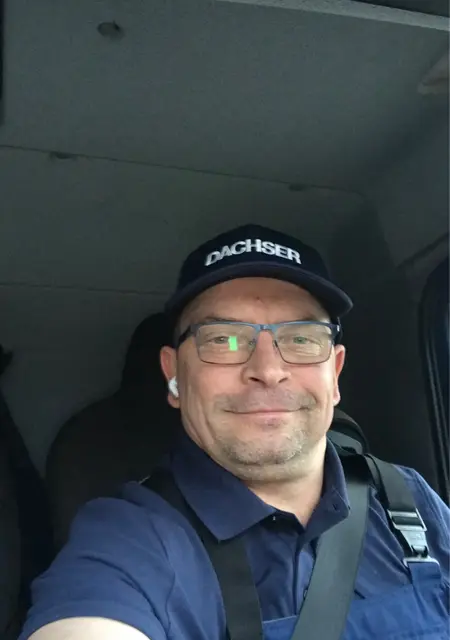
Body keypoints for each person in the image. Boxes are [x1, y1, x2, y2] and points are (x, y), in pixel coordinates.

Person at [20, 224, 449, 640]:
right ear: (174, 375)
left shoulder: (406, 497)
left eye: (301, 339)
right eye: (223, 339)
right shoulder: (129, 538)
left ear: (334, 374)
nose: (268, 370)